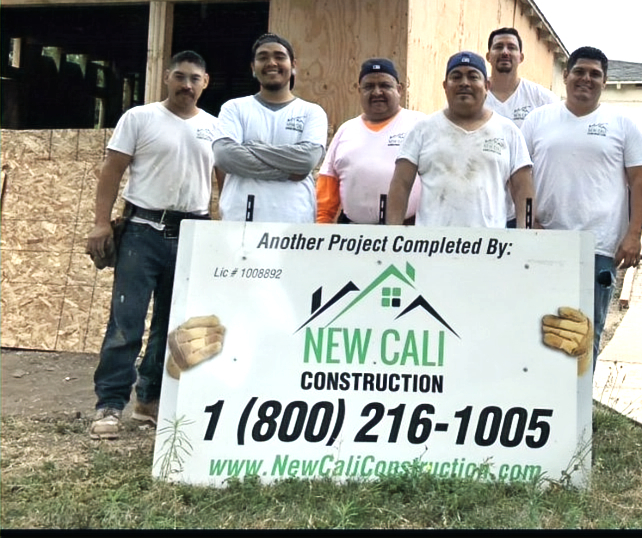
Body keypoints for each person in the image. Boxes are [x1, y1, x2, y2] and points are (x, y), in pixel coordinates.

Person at [86, 50, 222, 439]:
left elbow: (225, 182)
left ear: (205, 83)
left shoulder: (214, 128)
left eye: (194, 79)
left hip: (193, 232)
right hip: (143, 230)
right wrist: (100, 225)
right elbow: (111, 173)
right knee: (125, 323)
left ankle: (149, 399)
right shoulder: (140, 118)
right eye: (179, 77)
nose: (186, 85)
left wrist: (227, 232)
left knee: (171, 324)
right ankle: (109, 405)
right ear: (167, 78)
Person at [521, 46, 642, 370]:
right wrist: (528, 224)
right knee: (542, 327)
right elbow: (519, 176)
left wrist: (633, 235)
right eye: (579, 71)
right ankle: (545, 406)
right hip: (545, 241)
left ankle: (579, 415)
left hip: (600, 247)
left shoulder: (622, 125)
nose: (586, 79)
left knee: (586, 330)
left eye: (595, 74)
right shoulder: (538, 120)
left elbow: (640, 183)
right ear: (565, 76)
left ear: (605, 82)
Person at [386, 50, 534, 228]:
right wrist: (392, 235)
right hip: (430, 248)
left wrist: (524, 239)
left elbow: (523, 192)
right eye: (456, 77)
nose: (464, 83)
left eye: (473, 77)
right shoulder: (422, 130)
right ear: (445, 86)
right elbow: (400, 186)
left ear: (487, 85)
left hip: (490, 249)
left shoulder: (508, 131)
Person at [213, 33, 328, 223]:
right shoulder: (234, 108)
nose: (271, 63)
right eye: (263, 57)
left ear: (293, 66)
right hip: (240, 219)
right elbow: (225, 156)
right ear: (253, 67)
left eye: (279, 57)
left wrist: (250, 147)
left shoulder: (312, 112)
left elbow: (306, 161)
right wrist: (288, 172)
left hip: (294, 221)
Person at [316, 58, 424, 224]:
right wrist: (322, 222)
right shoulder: (346, 130)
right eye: (368, 87)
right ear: (359, 91)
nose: (377, 92)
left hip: (408, 233)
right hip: (354, 237)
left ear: (399, 89)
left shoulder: (419, 125)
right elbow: (328, 181)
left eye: (385, 85)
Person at [484, 27, 559, 227]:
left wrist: (532, 216)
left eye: (511, 47)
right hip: (483, 211)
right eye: (498, 47)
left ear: (521, 56)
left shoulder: (543, 99)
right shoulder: (473, 96)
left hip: (527, 212)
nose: (505, 52)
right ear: (488, 56)